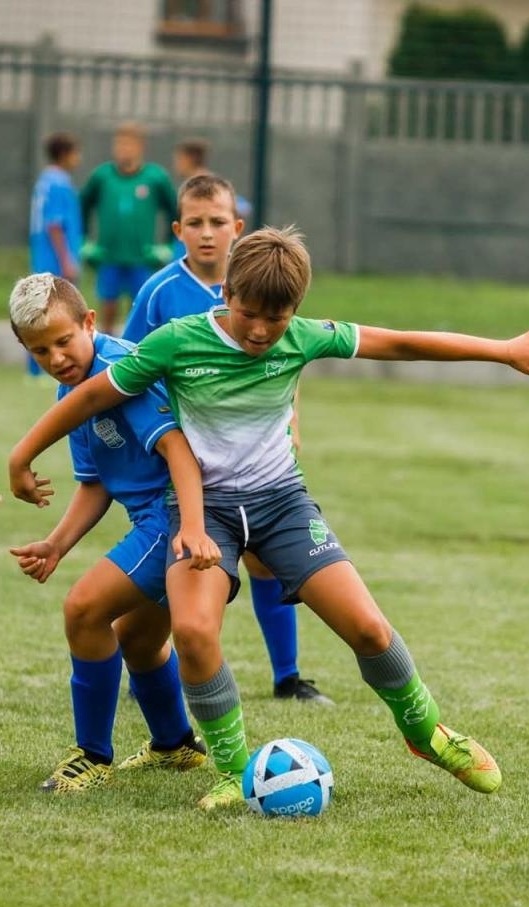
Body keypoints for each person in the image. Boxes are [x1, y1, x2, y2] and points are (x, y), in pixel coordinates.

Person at [8, 226, 529, 810]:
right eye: (249, 313)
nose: (259, 331)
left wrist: (503, 350)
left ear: (294, 311)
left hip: (283, 505)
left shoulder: (303, 338)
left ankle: (427, 733)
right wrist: (21, 456)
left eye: (275, 319)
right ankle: (231, 771)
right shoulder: (175, 342)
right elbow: (93, 397)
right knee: (195, 632)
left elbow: (398, 342)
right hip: (203, 512)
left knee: (370, 629)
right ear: (225, 294)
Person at [126, 172, 331, 704]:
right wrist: (159, 433)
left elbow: (285, 361)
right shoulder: (159, 293)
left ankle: (287, 674)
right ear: (178, 230)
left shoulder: (261, 283)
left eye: (218, 222)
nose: (208, 233)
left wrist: (292, 421)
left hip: (252, 457)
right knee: (177, 554)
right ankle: (150, 664)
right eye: (195, 223)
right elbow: (127, 365)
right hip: (185, 456)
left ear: (236, 226)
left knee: (267, 559)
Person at [7, 274, 211, 791]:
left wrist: (190, 528)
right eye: (40, 350)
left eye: (62, 341)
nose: (55, 357)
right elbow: (96, 484)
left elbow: (176, 450)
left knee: (83, 609)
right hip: (160, 522)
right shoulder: (71, 386)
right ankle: (175, 746)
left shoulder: (122, 372)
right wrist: (56, 543)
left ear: (89, 323)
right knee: (139, 641)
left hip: (176, 519)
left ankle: (93, 754)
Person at [80, 122, 175, 335]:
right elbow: (83, 205)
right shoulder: (102, 176)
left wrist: (167, 245)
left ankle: (139, 358)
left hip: (142, 258)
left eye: (128, 145)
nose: (124, 150)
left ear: (140, 147)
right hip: (109, 256)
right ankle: (106, 355)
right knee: (107, 310)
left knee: (141, 311)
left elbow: (175, 210)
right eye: (120, 145)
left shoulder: (154, 177)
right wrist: (85, 241)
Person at [24, 132, 82, 378]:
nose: (78, 158)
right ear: (65, 154)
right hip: (54, 257)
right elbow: (55, 225)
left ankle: (34, 370)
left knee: (39, 309)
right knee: (53, 311)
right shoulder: (59, 182)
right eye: (75, 153)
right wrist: (67, 259)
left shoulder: (45, 180)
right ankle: (41, 369)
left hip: (42, 254)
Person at [169, 138, 252, 260]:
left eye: (178, 159)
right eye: (194, 223)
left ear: (187, 159)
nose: (176, 164)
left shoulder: (207, 185)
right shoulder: (188, 185)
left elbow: (245, 207)